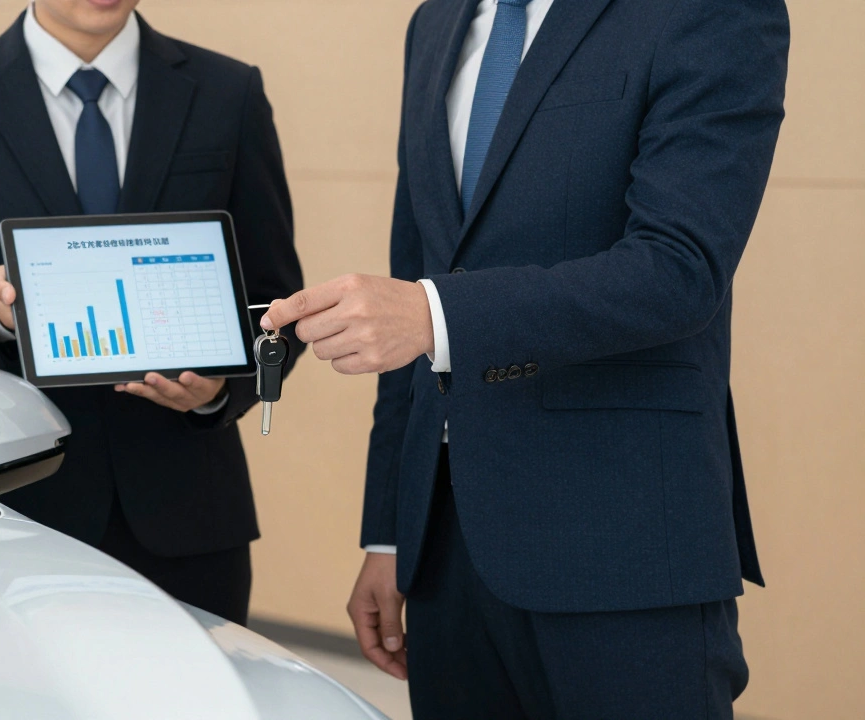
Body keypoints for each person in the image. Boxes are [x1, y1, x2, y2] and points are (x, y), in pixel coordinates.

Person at [260, 0, 788, 716]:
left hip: (621, 542)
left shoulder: (709, 9)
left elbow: (678, 269)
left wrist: (435, 313)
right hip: (445, 548)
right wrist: (388, 534)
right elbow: (414, 278)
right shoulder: (436, 23)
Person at [0, 0, 303, 626]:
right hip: (16, 515)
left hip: (189, 520)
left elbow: (275, 305)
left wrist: (220, 389)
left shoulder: (226, 91)